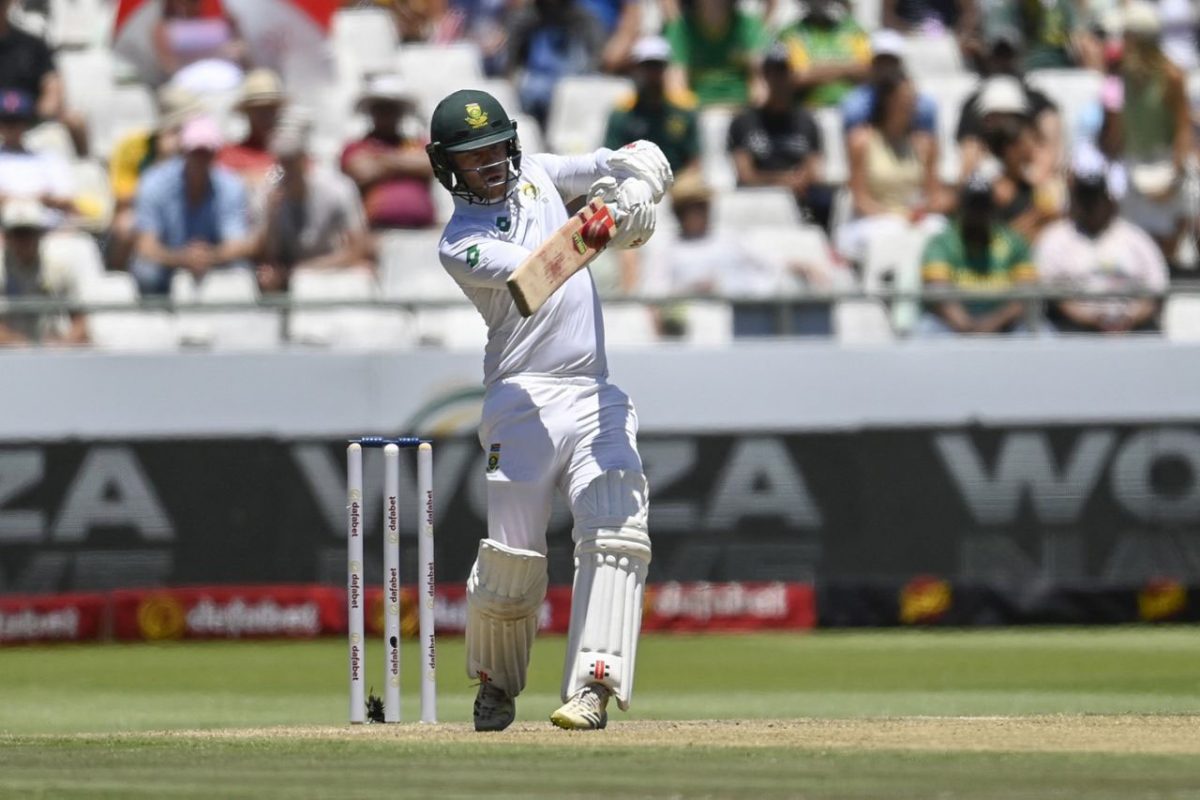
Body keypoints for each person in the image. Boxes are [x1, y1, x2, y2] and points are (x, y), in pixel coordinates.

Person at [426, 88, 670, 731]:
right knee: (513, 558)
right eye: (473, 158)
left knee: (616, 526)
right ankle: (496, 684)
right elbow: (536, 277)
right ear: (448, 168)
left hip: (593, 391)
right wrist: (610, 221)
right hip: (521, 400)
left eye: (496, 150)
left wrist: (641, 175)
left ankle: (593, 687)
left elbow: (613, 161)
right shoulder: (462, 241)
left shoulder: (534, 172)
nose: (493, 167)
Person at [1035, 150, 1169, 334]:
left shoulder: (1135, 237)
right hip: (1074, 332)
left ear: (1108, 199)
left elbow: (1156, 290)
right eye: (1085, 198)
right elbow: (1052, 294)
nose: (1090, 205)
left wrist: (1128, 320)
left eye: (1095, 198)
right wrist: (1095, 321)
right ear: (1074, 200)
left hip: (1133, 330)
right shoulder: (1055, 238)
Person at [836, 68, 949, 263]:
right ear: (888, 101)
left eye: (914, 98)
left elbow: (935, 195)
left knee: (941, 231)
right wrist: (896, 216)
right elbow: (860, 200)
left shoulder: (926, 144)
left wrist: (923, 210)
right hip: (875, 220)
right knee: (894, 233)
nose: (913, 103)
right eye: (907, 98)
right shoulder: (861, 141)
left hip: (914, 219)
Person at [132, 115, 255, 295]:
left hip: (213, 261)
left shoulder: (231, 186)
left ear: (215, 154)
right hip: (167, 262)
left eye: (206, 152)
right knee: (146, 272)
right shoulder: (154, 183)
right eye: (195, 152)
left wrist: (208, 256)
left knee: (242, 269)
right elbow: (145, 245)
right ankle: (155, 318)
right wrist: (183, 258)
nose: (200, 159)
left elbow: (237, 243)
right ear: (184, 152)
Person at [1109, 1, 1192, 266]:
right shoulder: (1122, 75)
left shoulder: (1171, 76)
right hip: (1133, 166)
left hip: (1165, 165)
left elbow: (1182, 128)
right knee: (1137, 245)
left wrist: (1175, 175)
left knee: (1168, 240)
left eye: (1127, 35)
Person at [254, 112, 371, 293]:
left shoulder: (338, 189)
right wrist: (271, 217)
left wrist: (304, 270)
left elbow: (357, 250)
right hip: (292, 277)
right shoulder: (269, 194)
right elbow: (267, 256)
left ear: (303, 158)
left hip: (333, 273)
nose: (286, 167)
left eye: (291, 159)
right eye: (282, 160)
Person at [916, 172, 1038, 336]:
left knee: (1036, 331)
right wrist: (966, 326)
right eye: (972, 205)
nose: (977, 212)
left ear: (993, 207)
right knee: (925, 330)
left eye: (983, 205)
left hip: (1002, 325)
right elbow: (939, 294)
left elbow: (1025, 294)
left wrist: (991, 324)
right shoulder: (942, 242)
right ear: (961, 207)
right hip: (954, 325)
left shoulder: (1013, 241)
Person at [727, 44, 831, 230]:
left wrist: (796, 182)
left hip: (799, 201)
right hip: (757, 202)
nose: (779, 79)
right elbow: (745, 175)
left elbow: (813, 171)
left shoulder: (807, 122)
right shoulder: (743, 122)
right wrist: (785, 180)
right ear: (765, 76)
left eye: (783, 72)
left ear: (792, 76)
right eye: (773, 72)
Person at [341, 74, 437, 231]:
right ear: (371, 111)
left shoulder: (417, 143)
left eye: (392, 108)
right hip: (378, 231)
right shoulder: (356, 146)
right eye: (381, 108)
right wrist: (407, 162)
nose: (387, 114)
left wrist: (381, 161)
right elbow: (361, 172)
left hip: (423, 230)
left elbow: (431, 164)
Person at [603, 35, 700, 176]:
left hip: (676, 183)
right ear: (636, 69)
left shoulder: (683, 112)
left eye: (657, 66)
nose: (652, 74)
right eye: (647, 66)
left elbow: (694, 160)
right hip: (631, 183)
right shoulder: (622, 114)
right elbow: (610, 159)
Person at [0, 0, 88, 155]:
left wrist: (37, 116)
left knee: (75, 121)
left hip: (30, 120)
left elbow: (52, 85)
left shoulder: (32, 44)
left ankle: (84, 170)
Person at [0, 198, 89, 346]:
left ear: (40, 234)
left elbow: (80, 321)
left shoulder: (59, 267)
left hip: (53, 353)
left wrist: (63, 345)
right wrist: (22, 345)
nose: (24, 240)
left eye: (29, 232)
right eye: (17, 233)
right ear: (7, 236)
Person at [507, 0, 606, 127]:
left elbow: (596, 57)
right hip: (536, 81)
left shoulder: (584, 18)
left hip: (575, 80)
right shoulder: (525, 17)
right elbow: (512, 60)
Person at [664, 0, 767, 108]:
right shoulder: (680, 29)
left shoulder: (749, 26)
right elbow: (676, 84)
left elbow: (760, 80)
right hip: (699, 111)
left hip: (742, 109)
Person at [775, 0, 870, 110]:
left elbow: (867, 69)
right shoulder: (791, 33)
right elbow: (798, 76)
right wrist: (846, 68)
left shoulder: (854, 29)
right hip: (811, 109)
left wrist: (817, 69)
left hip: (851, 110)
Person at [0, 88, 74, 215]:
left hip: (45, 225)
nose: (12, 127)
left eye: (17, 121)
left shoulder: (48, 159)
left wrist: (45, 200)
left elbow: (68, 199)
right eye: (7, 122)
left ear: (26, 124)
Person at [153, 0, 248, 92]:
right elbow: (168, 65)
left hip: (229, 77)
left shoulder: (225, 17)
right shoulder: (163, 28)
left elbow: (241, 48)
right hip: (189, 84)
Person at [216, 69, 287, 192]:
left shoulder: (292, 155)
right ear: (247, 113)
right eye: (258, 110)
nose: (265, 116)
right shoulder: (229, 155)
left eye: (270, 108)